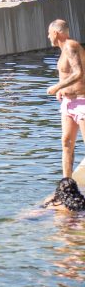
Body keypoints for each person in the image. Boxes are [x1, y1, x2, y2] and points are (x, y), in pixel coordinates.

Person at [46, 19, 85, 178]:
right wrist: (62, 89)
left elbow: (78, 73)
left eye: (49, 34)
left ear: (55, 33)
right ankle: (66, 184)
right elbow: (68, 75)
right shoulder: (64, 50)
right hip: (68, 103)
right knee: (67, 143)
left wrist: (57, 87)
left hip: (82, 101)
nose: (48, 37)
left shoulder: (70, 46)